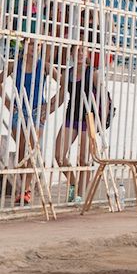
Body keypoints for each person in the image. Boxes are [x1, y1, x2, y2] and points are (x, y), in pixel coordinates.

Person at [0, 39, 65, 206]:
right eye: (30, 44)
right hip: (19, 110)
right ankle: (22, 188)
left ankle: (26, 189)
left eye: (37, 45)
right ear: (24, 45)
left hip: (36, 111)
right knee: (22, 150)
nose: (33, 48)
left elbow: (65, 85)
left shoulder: (44, 66)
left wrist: (50, 106)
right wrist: (9, 104)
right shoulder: (15, 65)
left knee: (31, 148)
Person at [53, 45, 102, 202]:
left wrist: (101, 122)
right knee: (59, 156)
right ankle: (73, 183)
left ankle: (80, 197)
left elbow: (103, 98)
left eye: (83, 50)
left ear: (87, 54)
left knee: (84, 159)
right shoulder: (67, 73)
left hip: (88, 119)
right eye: (77, 50)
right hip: (71, 116)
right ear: (72, 53)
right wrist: (46, 110)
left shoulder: (93, 73)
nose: (81, 53)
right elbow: (60, 97)